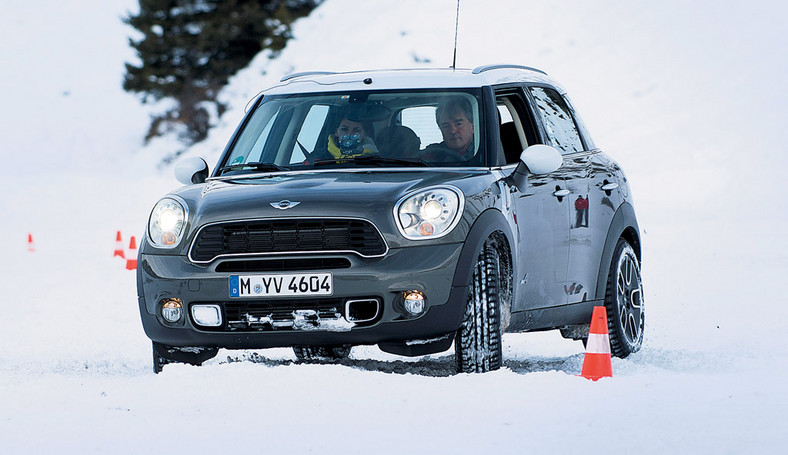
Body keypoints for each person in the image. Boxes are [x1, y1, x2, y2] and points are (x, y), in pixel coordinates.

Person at [423, 96, 476, 163]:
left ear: (472, 127)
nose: (453, 131)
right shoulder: (432, 153)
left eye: (459, 124)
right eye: (445, 126)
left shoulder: (486, 153)